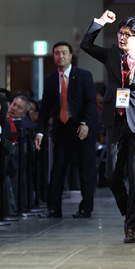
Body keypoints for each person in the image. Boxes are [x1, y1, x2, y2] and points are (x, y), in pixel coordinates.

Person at [80, 10, 135, 243]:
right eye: (120, 33)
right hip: (114, 121)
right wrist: (99, 22)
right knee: (111, 174)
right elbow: (86, 45)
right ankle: (128, 209)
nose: (121, 37)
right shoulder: (111, 55)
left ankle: (131, 226)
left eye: (127, 35)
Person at [35, 41, 100, 219]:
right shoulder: (50, 79)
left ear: (71, 56)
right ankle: (54, 208)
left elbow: (91, 103)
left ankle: (86, 208)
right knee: (57, 169)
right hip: (62, 128)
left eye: (64, 53)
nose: (60, 56)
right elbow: (45, 109)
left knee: (85, 169)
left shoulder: (83, 75)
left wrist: (86, 123)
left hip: (81, 127)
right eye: (56, 53)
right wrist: (40, 132)